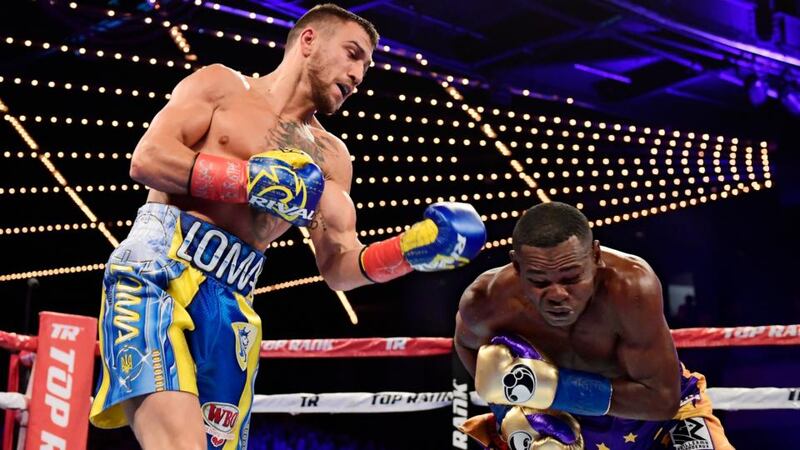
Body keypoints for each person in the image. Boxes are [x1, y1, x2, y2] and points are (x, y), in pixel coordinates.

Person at [88, 4, 486, 449]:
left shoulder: (332, 158)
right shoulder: (222, 87)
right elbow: (148, 159)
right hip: (156, 271)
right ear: (309, 41)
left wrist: (409, 250)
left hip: (232, 304)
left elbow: (339, 265)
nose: (359, 74)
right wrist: (246, 181)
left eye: (367, 66)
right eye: (352, 54)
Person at [454, 202, 732, 450]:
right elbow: (467, 345)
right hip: (569, 428)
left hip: (662, 419)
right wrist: (510, 414)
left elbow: (662, 400)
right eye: (539, 281)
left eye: (571, 277)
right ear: (516, 265)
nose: (557, 294)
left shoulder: (629, 288)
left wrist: (553, 389)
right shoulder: (486, 302)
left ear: (595, 255)